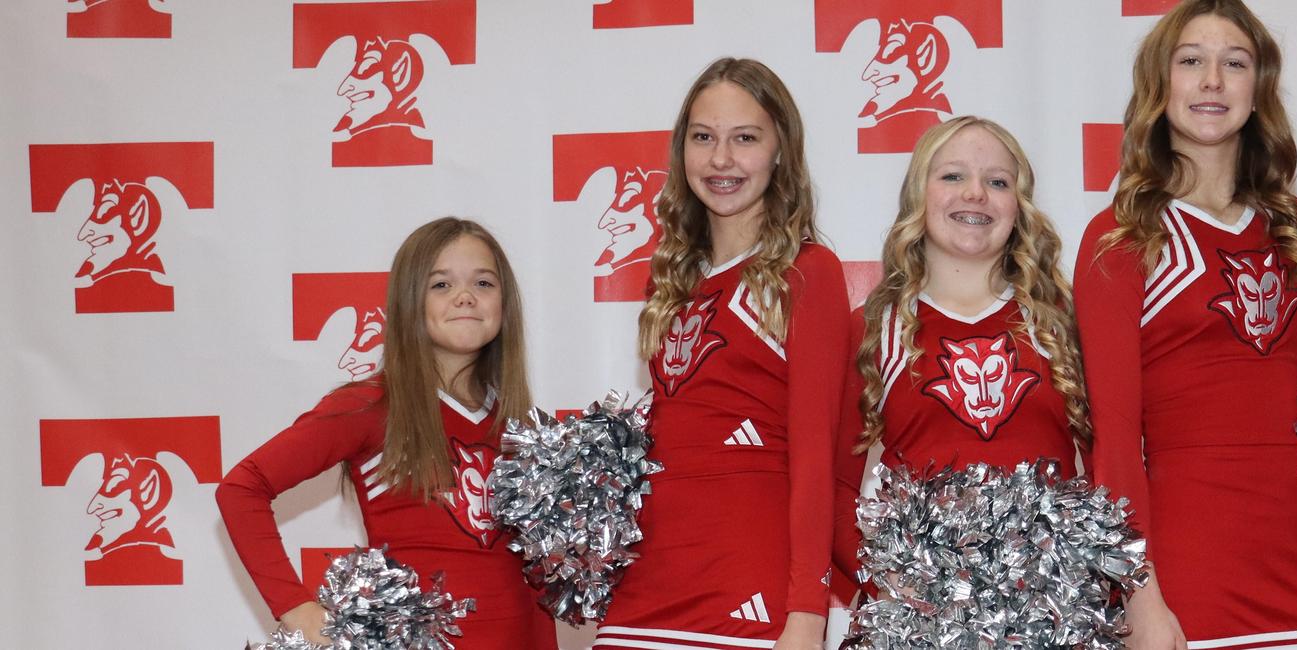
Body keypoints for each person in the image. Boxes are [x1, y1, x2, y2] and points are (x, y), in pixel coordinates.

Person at [1073, 1, 1297, 647]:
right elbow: (1109, 437)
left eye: (1235, 63)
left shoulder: (1291, 225)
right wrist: (1139, 598)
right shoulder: (1120, 237)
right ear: (1158, 85)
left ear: (1258, 90)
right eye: (1190, 61)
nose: (1212, 81)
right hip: (1185, 577)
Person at [594, 57, 850, 650]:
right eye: (703, 138)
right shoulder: (671, 280)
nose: (721, 160)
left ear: (781, 150)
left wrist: (807, 611)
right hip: (648, 580)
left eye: (745, 139)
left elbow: (816, 453)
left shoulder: (806, 272)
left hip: (748, 586)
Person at [219, 217, 553, 648]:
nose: (466, 297)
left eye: (484, 283)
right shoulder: (370, 406)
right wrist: (297, 608)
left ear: (506, 303)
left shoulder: (524, 428)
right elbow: (242, 487)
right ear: (409, 302)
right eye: (441, 285)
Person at [832, 115, 1091, 594]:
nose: (975, 194)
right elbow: (834, 488)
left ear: (1019, 206)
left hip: (1055, 618)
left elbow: (1107, 474)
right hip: (922, 628)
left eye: (997, 181)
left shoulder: (1064, 325)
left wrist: (1080, 582)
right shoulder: (873, 329)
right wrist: (894, 588)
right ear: (919, 196)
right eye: (952, 176)